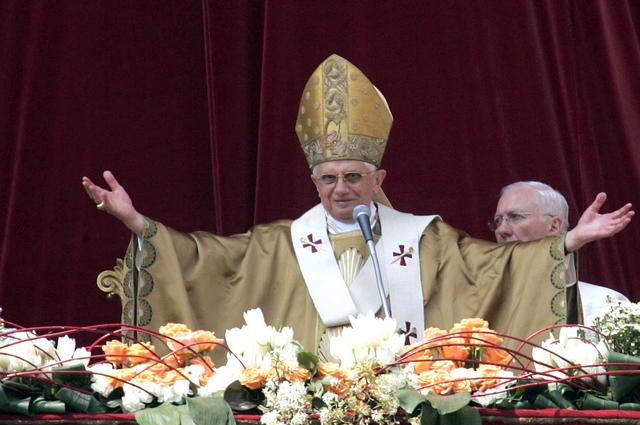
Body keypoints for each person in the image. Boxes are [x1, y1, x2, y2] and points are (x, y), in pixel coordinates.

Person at [83, 54, 634, 364]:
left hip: (403, 392)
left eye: (353, 177)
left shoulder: (424, 237)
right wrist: (138, 224)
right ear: (314, 180)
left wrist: (568, 243)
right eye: (329, 179)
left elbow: (492, 268)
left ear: (379, 178)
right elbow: (210, 262)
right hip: (309, 400)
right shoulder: (280, 241)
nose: (341, 189)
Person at [492, 181, 631, 320]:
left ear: (553, 226)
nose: (501, 230)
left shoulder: (602, 306)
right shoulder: (483, 304)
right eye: (498, 220)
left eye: (515, 217)